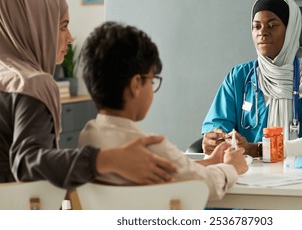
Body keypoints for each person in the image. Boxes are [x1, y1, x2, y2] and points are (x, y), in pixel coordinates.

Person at [0, 0, 177, 188]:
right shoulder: (32, 84)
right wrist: (109, 159)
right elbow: (27, 163)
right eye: (63, 26)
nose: (70, 37)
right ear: (34, 25)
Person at [79, 21, 248, 200]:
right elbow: (208, 186)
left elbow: (176, 170)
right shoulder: (151, 147)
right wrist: (232, 166)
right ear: (136, 84)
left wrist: (210, 162)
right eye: (152, 81)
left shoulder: (89, 137)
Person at [201, 0, 302, 157]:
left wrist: (259, 150)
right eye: (256, 26)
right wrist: (213, 139)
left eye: (272, 25)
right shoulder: (239, 77)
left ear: (290, 30)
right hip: (249, 173)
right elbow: (217, 126)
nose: (263, 33)